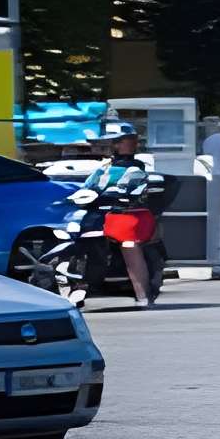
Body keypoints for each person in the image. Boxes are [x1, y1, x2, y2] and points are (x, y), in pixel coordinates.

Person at [83, 123, 162, 305]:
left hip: (128, 215)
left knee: (129, 245)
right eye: (121, 141)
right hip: (101, 215)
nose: (131, 144)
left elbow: (140, 186)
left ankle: (143, 295)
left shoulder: (138, 167)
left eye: (129, 140)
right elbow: (87, 187)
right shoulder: (102, 168)